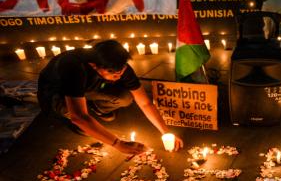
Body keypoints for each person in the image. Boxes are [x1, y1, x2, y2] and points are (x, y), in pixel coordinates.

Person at [38, 40, 183, 154]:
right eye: (113, 73)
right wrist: (118, 144)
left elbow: (145, 103)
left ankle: (96, 107)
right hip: (57, 92)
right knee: (85, 128)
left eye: (121, 72)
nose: (118, 75)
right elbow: (79, 117)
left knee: (125, 97)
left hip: (89, 88)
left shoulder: (120, 66)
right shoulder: (73, 68)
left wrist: (166, 132)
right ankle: (69, 110)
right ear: (95, 66)